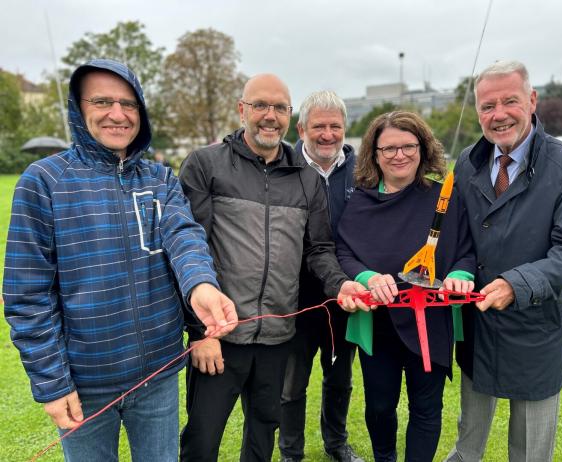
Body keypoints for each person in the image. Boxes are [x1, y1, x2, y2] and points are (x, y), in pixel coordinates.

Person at [3, 58, 237, 462]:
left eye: (129, 104)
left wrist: (201, 285)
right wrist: (53, 384)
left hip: (157, 375)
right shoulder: (43, 183)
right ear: (78, 109)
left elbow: (184, 237)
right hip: (84, 383)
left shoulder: (160, 179)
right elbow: (26, 296)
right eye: (102, 102)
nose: (118, 114)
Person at [178, 74, 368, 462]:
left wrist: (341, 285)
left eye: (280, 107)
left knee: (263, 441)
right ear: (242, 109)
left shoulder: (305, 177)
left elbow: (318, 249)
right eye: (261, 105)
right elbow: (188, 251)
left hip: (278, 337)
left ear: (289, 116)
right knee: (201, 441)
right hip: (221, 336)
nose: (270, 116)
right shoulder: (205, 165)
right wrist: (200, 333)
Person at [446, 60, 562, 462]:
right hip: (478, 328)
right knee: (467, 442)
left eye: (509, 101)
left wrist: (517, 284)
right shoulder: (467, 163)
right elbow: (458, 236)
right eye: (487, 106)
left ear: (532, 101)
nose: (498, 115)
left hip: (535, 332)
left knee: (530, 451)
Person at [336, 111, 476, 462]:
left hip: (431, 322)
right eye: (389, 149)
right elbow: (344, 252)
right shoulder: (361, 201)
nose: (400, 155)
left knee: (426, 408)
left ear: (422, 148)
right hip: (379, 323)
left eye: (408, 146)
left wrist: (461, 274)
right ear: (374, 153)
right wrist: (367, 279)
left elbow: (466, 251)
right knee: (380, 406)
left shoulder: (445, 196)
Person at [278, 91, 362, 462]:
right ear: (301, 128)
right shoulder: (283, 168)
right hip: (294, 300)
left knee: (339, 380)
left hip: (346, 297)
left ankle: (336, 444)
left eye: (335, 126)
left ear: (345, 128)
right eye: (319, 126)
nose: (327, 134)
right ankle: (290, 453)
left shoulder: (363, 172)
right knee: (291, 386)